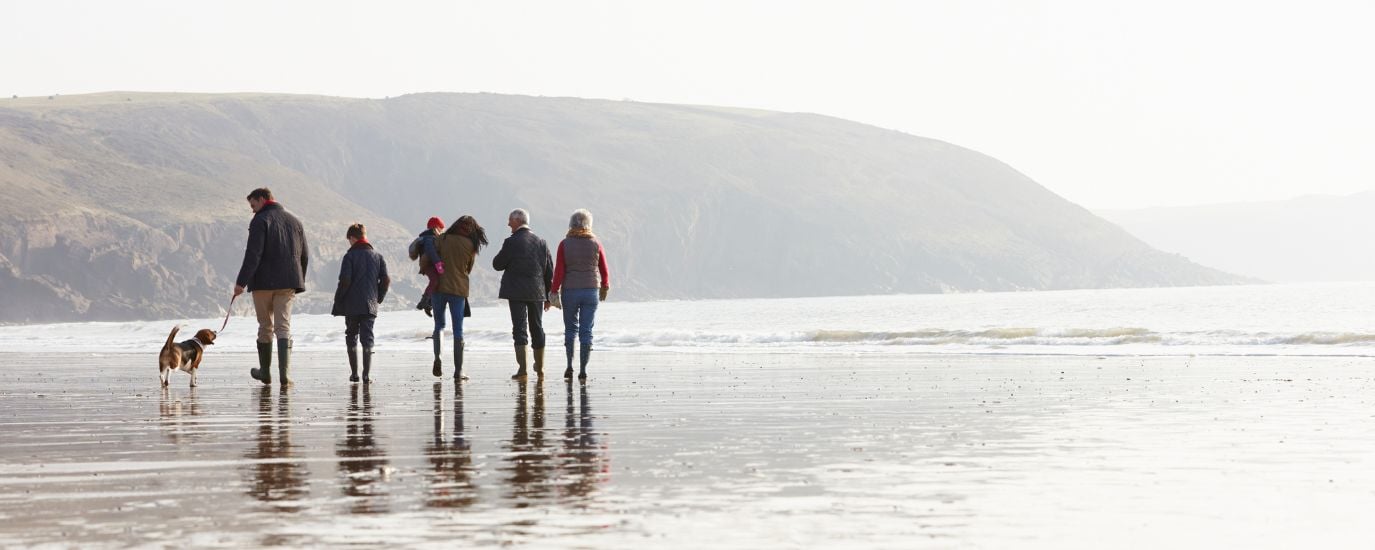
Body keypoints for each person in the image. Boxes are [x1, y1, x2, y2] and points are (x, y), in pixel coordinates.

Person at [234, 187, 309, 387]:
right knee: (283, 327)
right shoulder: (295, 221)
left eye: (253, 205)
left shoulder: (259, 221)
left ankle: (265, 372)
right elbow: (304, 256)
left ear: (262, 199)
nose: (252, 210)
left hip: (262, 283)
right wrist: (298, 280)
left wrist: (241, 282)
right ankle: (285, 376)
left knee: (265, 326)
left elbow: (253, 255)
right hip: (288, 282)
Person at [492, 208, 553, 380]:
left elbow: (497, 264)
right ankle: (540, 368)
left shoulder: (511, 242)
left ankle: (522, 369)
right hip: (537, 291)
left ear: (518, 221)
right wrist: (548, 296)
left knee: (519, 329)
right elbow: (549, 270)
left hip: (516, 291)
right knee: (537, 327)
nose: (508, 224)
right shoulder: (542, 242)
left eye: (510, 220)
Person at [550, 209, 610, 381]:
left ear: (571, 224)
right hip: (591, 291)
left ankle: (569, 365)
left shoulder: (564, 244)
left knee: (570, 329)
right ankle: (583, 370)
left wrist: (554, 291)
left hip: (570, 290)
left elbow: (559, 271)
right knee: (586, 331)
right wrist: (605, 286)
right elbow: (604, 269)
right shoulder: (596, 243)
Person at [332, 223, 390, 383]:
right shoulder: (378, 256)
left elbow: (345, 280)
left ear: (352, 238)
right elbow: (385, 280)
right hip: (370, 305)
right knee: (367, 338)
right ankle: (366, 375)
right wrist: (378, 297)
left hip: (352, 304)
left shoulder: (349, 256)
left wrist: (339, 299)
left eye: (349, 240)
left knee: (351, 335)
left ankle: (354, 374)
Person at [432, 215, 487, 380]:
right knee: (458, 330)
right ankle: (458, 371)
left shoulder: (442, 239)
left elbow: (430, 259)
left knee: (439, 325)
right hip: (458, 290)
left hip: (438, 288)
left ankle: (438, 357)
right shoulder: (470, 245)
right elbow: (468, 268)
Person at [409, 216, 445, 317]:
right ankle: (424, 302)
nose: (441, 231)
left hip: (428, 264)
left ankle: (428, 303)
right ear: (436, 228)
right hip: (430, 265)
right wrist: (438, 264)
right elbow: (431, 251)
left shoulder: (426, 237)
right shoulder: (429, 238)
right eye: (441, 229)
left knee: (435, 282)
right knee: (435, 281)